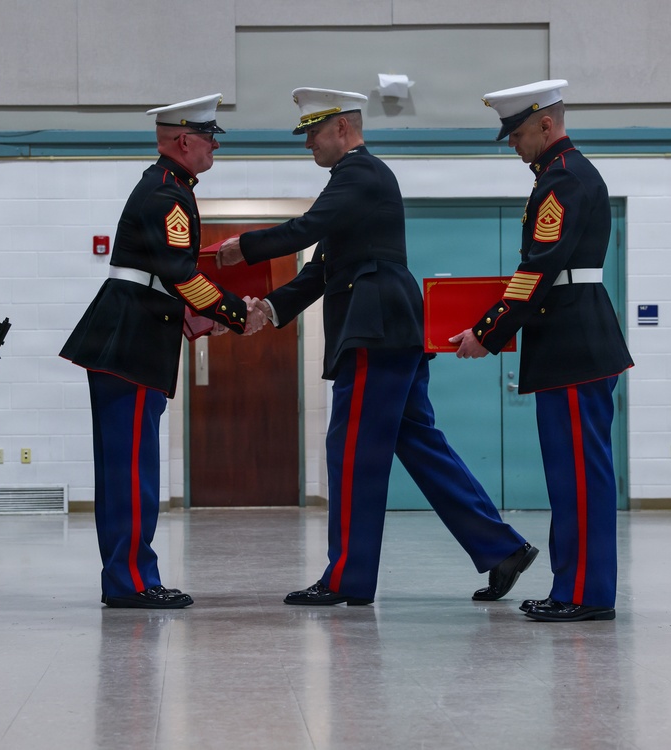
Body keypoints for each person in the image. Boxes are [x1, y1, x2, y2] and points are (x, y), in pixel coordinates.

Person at [217, 87, 537, 606]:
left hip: (375, 330)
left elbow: (307, 228)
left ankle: (347, 577)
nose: (308, 146)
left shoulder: (358, 174)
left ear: (342, 129)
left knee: (351, 454)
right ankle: (502, 548)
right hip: (391, 330)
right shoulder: (357, 184)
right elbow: (322, 267)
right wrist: (268, 310)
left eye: (314, 133)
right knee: (420, 445)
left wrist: (244, 247)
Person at [60, 94, 266, 609]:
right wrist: (237, 314)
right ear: (183, 140)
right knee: (131, 470)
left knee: (125, 469)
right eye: (209, 137)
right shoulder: (167, 194)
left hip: (134, 332)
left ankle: (125, 577)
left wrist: (204, 318)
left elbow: (165, 278)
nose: (215, 145)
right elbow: (177, 274)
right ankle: (131, 581)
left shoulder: (169, 188)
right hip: (131, 339)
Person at [450, 79, 634, 622]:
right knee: (570, 475)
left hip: (574, 345)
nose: (511, 143)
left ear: (546, 126)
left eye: (517, 132)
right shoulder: (560, 176)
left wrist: (487, 334)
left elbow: (537, 272)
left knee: (580, 476)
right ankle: (574, 588)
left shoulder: (564, 180)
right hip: (569, 342)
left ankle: (584, 593)